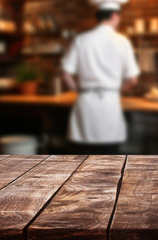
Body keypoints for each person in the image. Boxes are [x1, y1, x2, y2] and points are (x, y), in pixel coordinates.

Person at [61, 0, 140, 154]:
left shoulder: (81, 40)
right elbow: (133, 80)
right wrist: (117, 89)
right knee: (109, 163)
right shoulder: (122, 41)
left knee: (81, 161)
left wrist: (79, 90)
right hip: (109, 104)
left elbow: (66, 75)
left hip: (85, 103)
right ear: (114, 16)